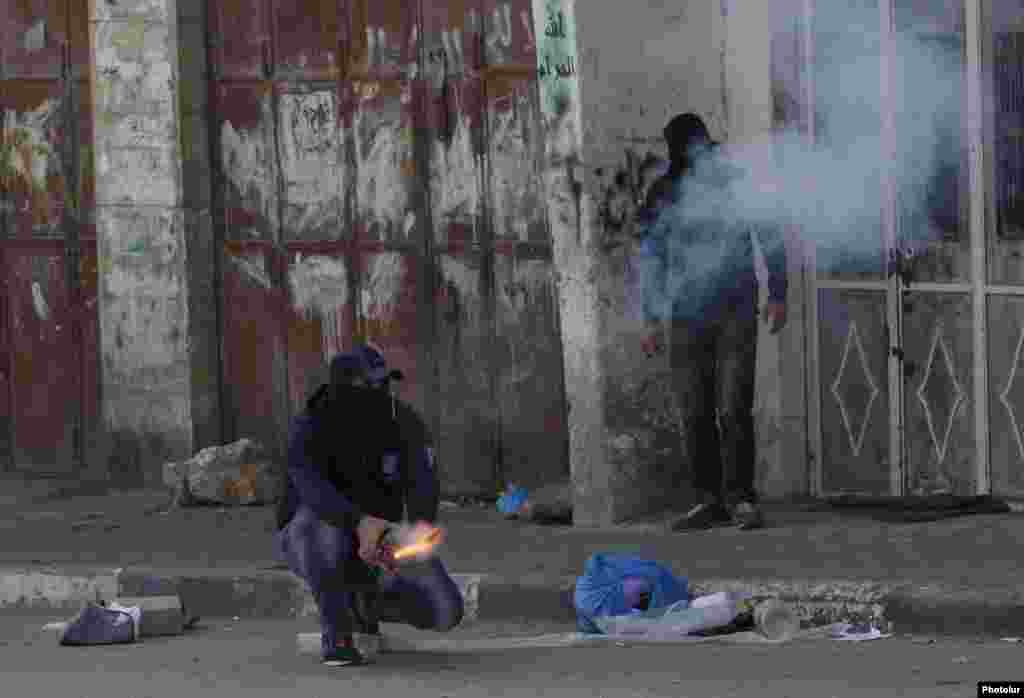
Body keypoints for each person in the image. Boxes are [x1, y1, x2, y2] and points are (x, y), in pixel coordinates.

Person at [637, 113, 787, 532]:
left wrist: (777, 294)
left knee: (733, 408)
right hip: (685, 316)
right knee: (694, 412)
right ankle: (708, 499)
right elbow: (651, 258)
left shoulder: (737, 184)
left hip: (734, 310)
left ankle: (741, 498)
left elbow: (770, 235)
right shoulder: (665, 192)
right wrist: (649, 317)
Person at [275, 343, 463, 667]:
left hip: (379, 538)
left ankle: (364, 604)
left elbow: (423, 486)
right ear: (343, 388)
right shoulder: (309, 425)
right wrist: (360, 523)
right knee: (320, 530)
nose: (381, 393)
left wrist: (410, 539)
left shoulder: (402, 421)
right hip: (318, 533)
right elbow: (313, 491)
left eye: (385, 384)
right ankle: (337, 632)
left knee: (445, 609)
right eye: (371, 384)